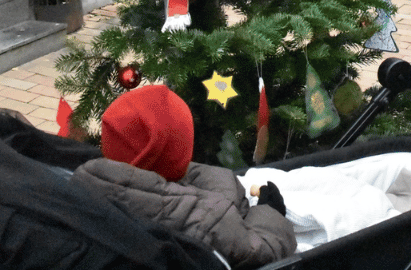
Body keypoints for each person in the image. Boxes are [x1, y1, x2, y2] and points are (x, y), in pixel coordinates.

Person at [71, 85, 297, 268]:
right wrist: (271, 212)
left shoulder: (85, 182)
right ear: (175, 153)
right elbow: (264, 252)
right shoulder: (202, 219)